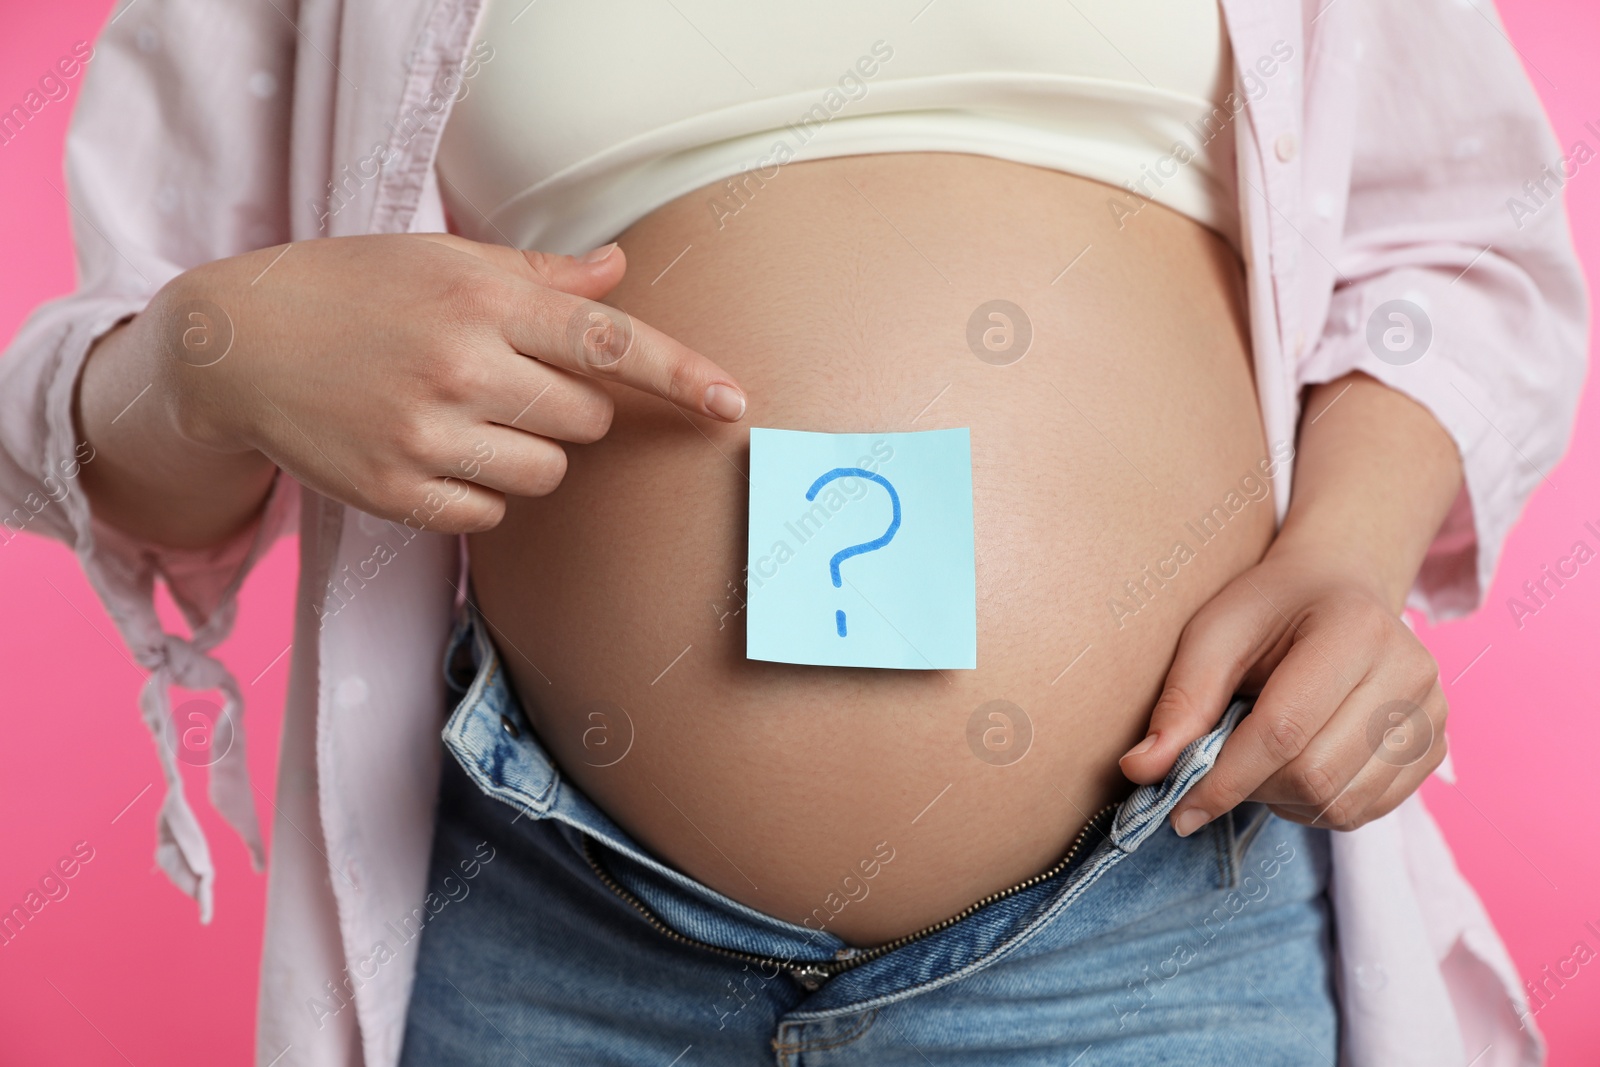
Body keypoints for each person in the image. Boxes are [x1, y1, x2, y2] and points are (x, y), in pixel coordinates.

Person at [0, 0, 1586, 1064]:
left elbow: (1464, 250)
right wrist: (218, 352)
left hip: (1152, 927)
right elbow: (110, 431)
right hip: (553, 945)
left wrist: (1349, 556)